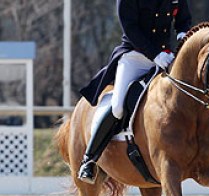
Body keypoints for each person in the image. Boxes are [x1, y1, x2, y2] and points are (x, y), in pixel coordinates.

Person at [78, 0, 192, 184]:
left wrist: (183, 35)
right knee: (118, 107)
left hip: (167, 57)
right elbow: (131, 29)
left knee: (189, 96)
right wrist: (155, 54)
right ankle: (89, 159)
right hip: (135, 58)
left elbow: (183, 19)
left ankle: (205, 159)